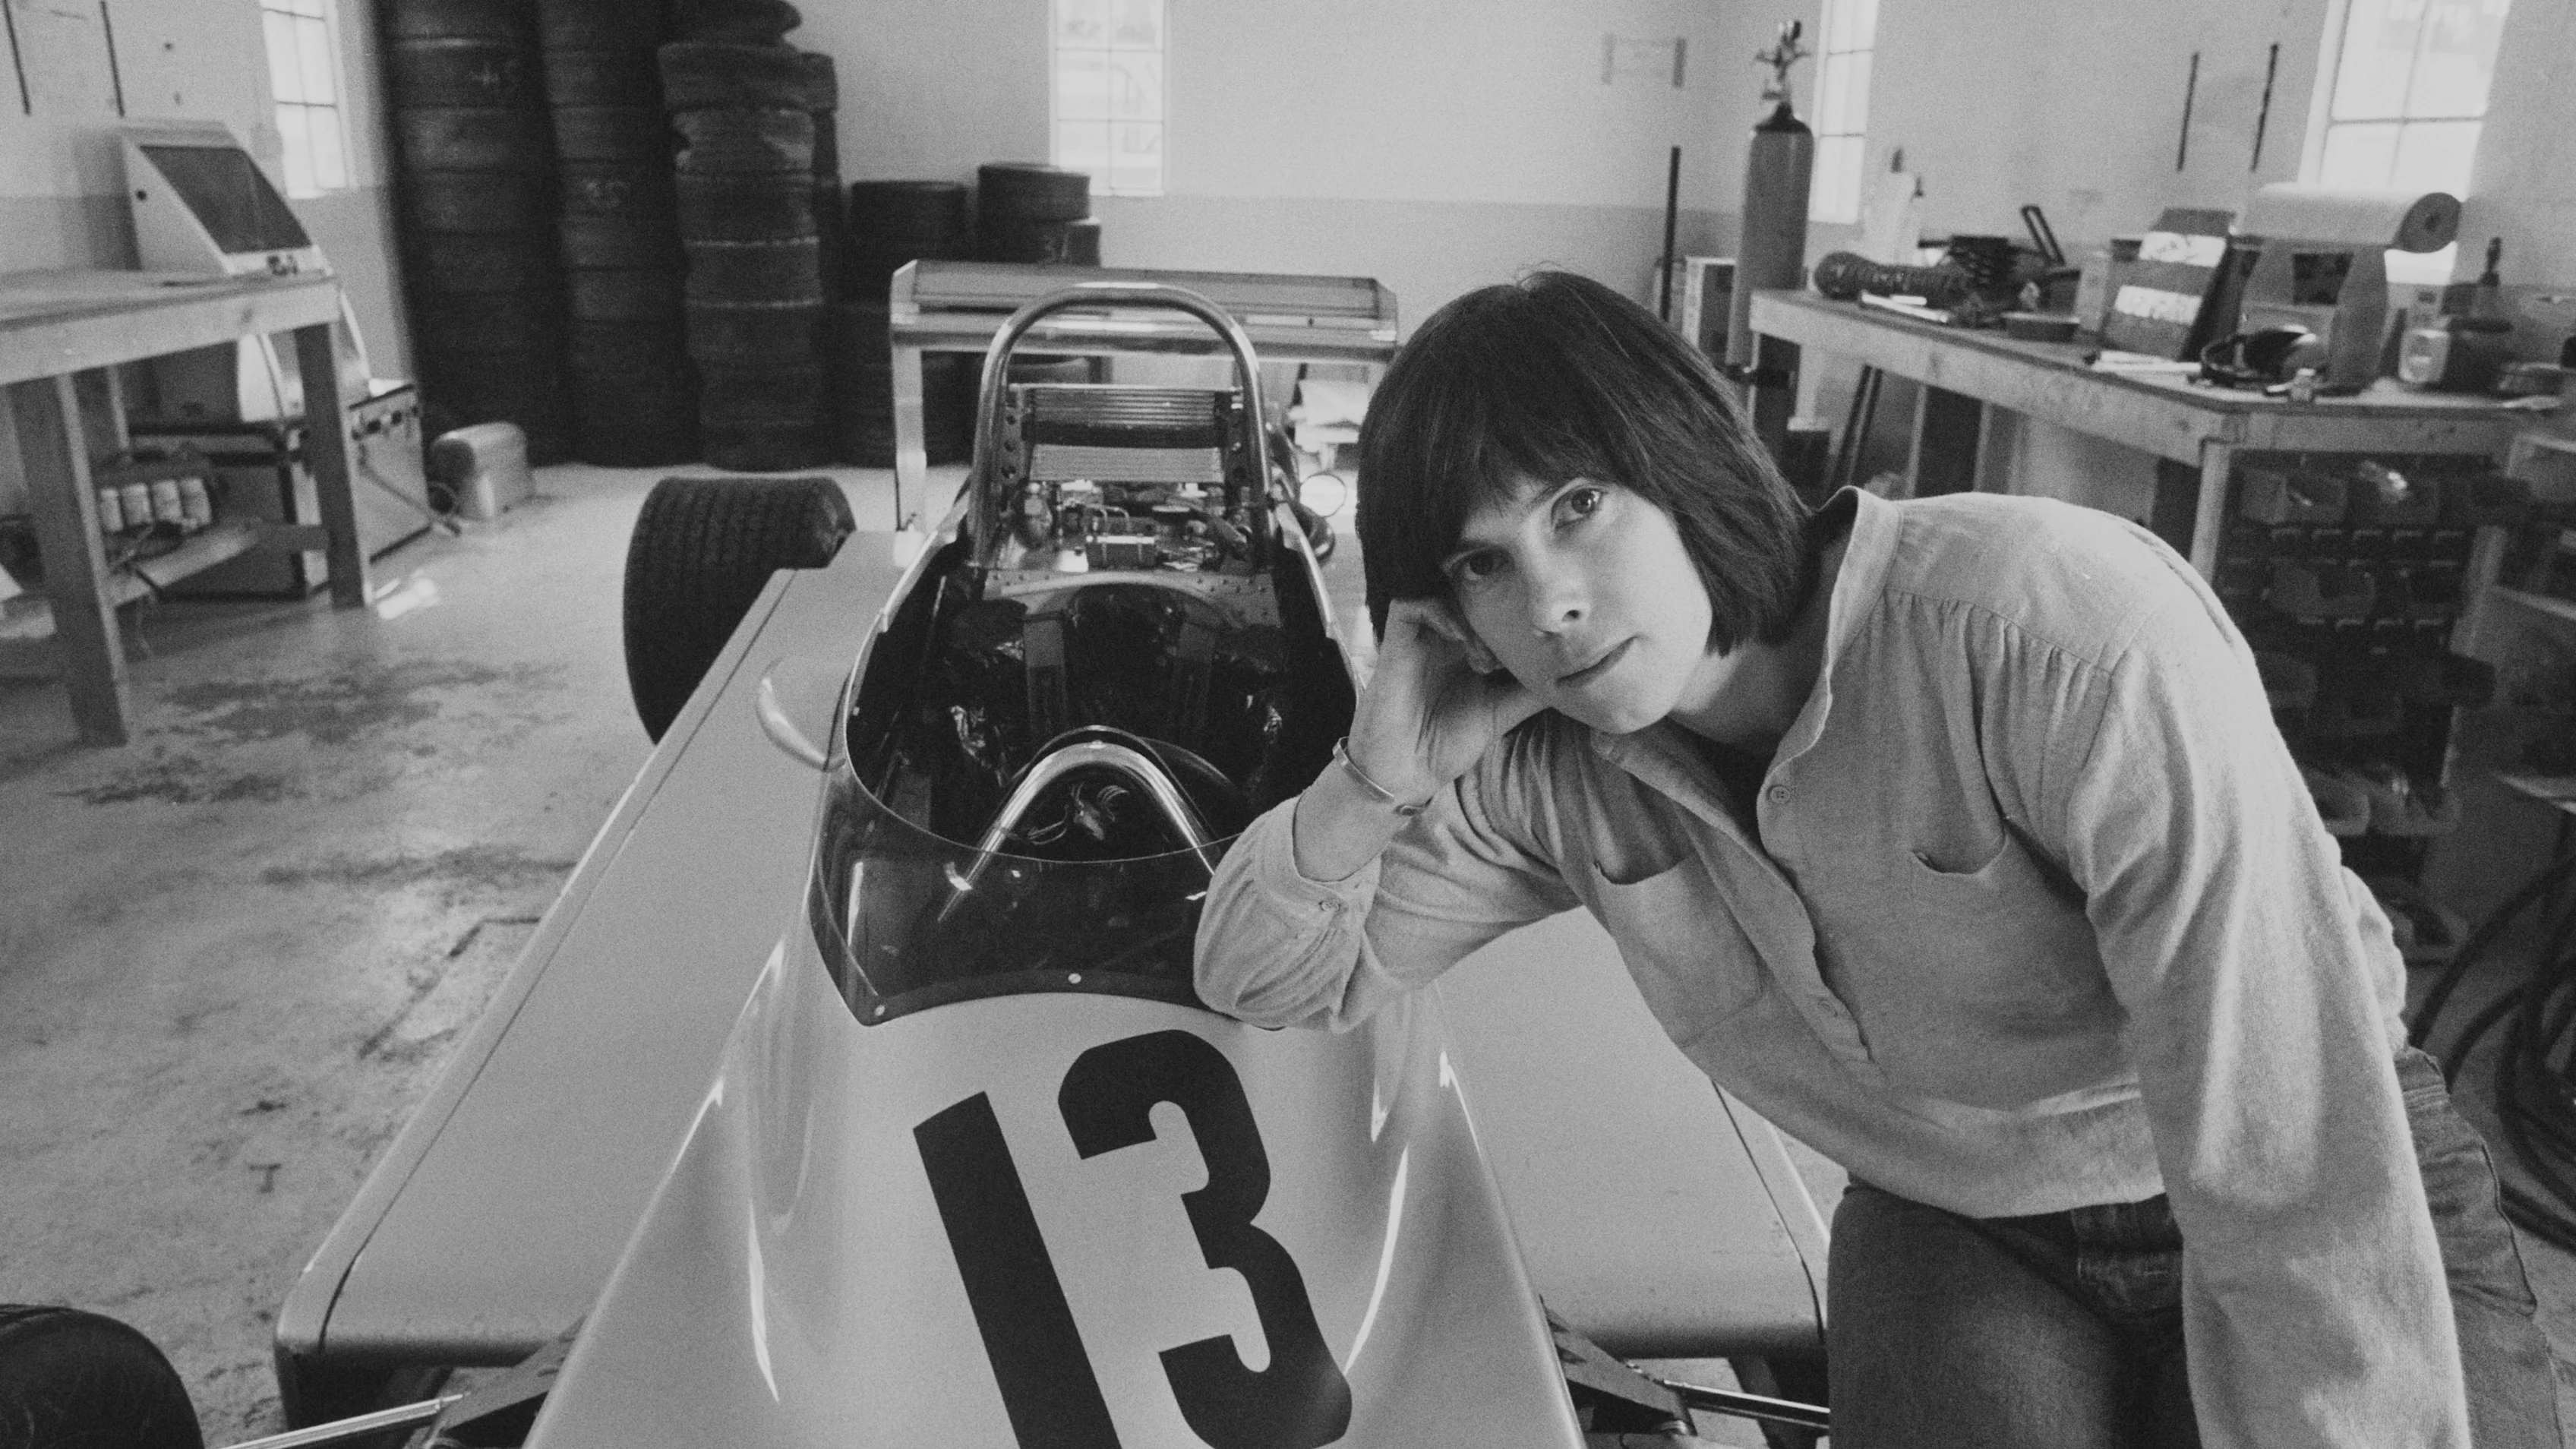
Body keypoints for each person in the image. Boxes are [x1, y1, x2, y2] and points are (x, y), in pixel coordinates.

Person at [1192, 270, 2562, 1447]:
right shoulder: (1546, 771)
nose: (1546, 600)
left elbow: (2285, 1144)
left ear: (1683, 457)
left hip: (2310, 1161)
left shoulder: (2061, 643)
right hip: (1964, 1218)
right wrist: (1376, 777)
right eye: (1480, 566)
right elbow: (1264, 974)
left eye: (1579, 506)